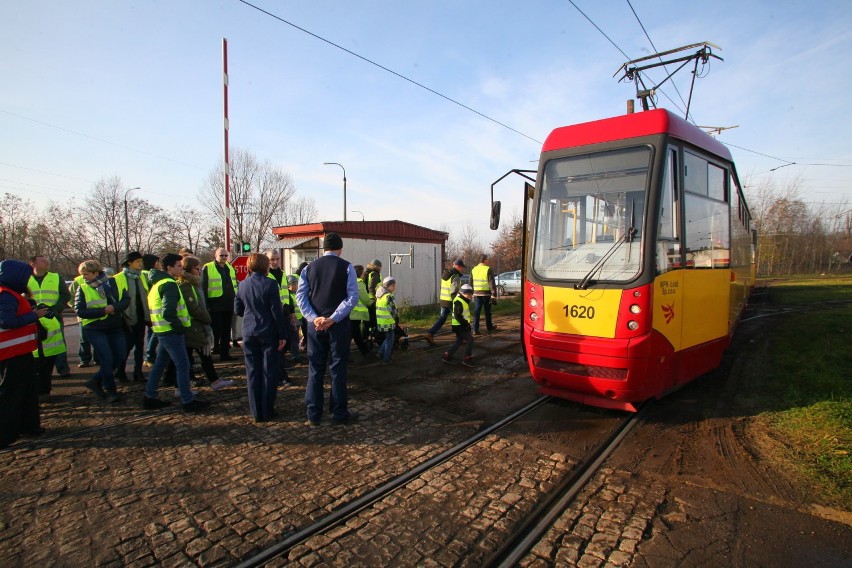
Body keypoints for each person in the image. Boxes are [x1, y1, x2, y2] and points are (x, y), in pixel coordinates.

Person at [296, 232, 359, 427]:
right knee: (338, 369)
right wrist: (333, 318)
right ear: (340, 248)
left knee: (315, 369)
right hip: (338, 327)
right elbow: (352, 297)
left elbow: (301, 297)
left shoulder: (308, 268)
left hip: (315, 327)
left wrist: (315, 318)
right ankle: (339, 413)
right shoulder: (347, 267)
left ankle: (313, 414)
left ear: (324, 249)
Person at [143, 253, 210, 412]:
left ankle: (149, 396)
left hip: (161, 330)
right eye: (179, 266)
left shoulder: (157, 284)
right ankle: (187, 400)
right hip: (171, 332)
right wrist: (179, 327)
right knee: (183, 365)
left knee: (160, 365)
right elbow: (168, 312)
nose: (181, 269)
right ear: (169, 268)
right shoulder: (169, 284)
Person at [0, 259, 48, 448]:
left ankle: (29, 426)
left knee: (28, 391)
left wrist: (33, 311)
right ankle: (5, 435)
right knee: (11, 395)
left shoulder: (10, 294)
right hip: (11, 354)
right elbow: (6, 321)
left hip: (21, 351)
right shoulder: (5, 295)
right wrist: (35, 316)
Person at [235, 253, 288, 422]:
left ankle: (256, 412)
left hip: (249, 332)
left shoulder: (242, 285)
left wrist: (251, 314)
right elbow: (276, 312)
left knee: (252, 372)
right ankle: (267, 410)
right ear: (266, 266)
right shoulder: (271, 284)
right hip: (267, 332)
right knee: (268, 372)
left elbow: (238, 309)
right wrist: (282, 334)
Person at [74, 259, 129, 403]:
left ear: (96, 272)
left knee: (121, 356)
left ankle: (95, 381)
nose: (83, 277)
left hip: (114, 325)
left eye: (86, 274)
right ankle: (111, 391)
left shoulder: (113, 283)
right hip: (95, 328)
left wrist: (115, 308)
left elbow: (125, 299)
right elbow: (80, 311)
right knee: (106, 359)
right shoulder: (83, 288)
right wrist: (103, 311)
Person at [176, 256, 232, 391]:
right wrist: (207, 318)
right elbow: (194, 307)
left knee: (200, 355)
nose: (199, 271)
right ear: (190, 269)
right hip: (193, 326)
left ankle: (212, 380)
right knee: (194, 356)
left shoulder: (194, 283)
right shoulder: (186, 285)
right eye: (196, 268)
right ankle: (187, 385)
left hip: (196, 326)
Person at [28, 254, 72, 377]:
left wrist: (55, 309)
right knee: (35, 346)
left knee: (58, 343)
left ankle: (63, 369)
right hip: (33, 317)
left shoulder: (56, 277)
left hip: (53, 316)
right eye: (42, 261)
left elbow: (65, 296)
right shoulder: (26, 279)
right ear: (33, 264)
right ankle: (38, 370)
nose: (46, 262)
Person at [112, 251, 149, 383]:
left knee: (140, 345)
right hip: (125, 318)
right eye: (138, 261)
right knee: (126, 346)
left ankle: (137, 372)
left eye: (141, 261)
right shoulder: (118, 278)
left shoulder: (142, 276)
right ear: (129, 263)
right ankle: (120, 371)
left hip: (141, 315)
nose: (140, 264)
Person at [202, 247, 238, 361]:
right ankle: (213, 349)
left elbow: (235, 285)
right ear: (215, 255)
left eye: (225, 256)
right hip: (215, 304)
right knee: (216, 329)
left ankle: (224, 353)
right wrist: (206, 305)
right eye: (221, 255)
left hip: (228, 303)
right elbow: (203, 287)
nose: (223, 258)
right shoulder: (208, 267)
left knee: (226, 330)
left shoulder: (230, 268)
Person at [424, 259, 466, 344]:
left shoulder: (445, 274)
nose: (462, 269)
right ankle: (461, 338)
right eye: (462, 267)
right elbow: (454, 291)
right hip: (451, 301)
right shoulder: (455, 276)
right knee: (458, 318)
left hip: (443, 300)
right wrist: (457, 303)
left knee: (442, 319)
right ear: (458, 266)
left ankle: (430, 334)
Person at [442, 283, 475, 367]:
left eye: (471, 294)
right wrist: (466, 324)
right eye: (469, 294)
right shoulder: (459, 301)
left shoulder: (462, 300)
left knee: (459, 340)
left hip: (459, 325)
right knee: (470, 339)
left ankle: (448, 356)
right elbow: (457, 316)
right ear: (463, 293)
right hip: (460, 326)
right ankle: (467, 359)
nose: (470, 296)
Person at [69, 275, 96, 368]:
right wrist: (77, 309)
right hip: (84, 316)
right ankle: (85, 359)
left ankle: (98, 359)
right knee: (84, 340)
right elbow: (70, 296)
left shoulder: (101, 279)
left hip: (99, 315)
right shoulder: (78, 281)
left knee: (98, 339)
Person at [471, 254, 498, 335]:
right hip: (486, 294)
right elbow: (491, 283)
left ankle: (475, 329)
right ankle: (489, 327)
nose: (488, 260)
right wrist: (494, 294)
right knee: (488, 312)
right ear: (484, 260)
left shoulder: (474, 269)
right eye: (487, 259)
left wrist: (470, 293)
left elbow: (470, 282)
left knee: (477, 312)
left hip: (476, 294)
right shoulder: (488, 269)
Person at [141, 254, 161, 367]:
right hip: (152, 307)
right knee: (155, 332)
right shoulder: (150, 275)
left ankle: (149, 356)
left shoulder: (142, 274)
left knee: (151, 333)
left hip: (148, 307)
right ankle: (149, 356)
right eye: (158, 262)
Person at [350, 265, 372, 359]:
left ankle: (365, 351)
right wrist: (370, 303)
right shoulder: (359, 283)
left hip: (349, 312)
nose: (364, 274)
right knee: (353, 333)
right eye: (363, 272)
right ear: (360, 273)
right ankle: (342, 355)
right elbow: (364, 297)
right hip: (356, 313)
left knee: (356, 334)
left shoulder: (349, 281)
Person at [375, 276, 398, 364]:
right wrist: (396, 316)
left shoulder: (379, 296)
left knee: (388, 338)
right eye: (393, 286)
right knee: (390, 340)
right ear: (388, 286)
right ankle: (386, 359)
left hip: (381, 322)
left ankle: (380, 353)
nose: (394, 288)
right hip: (388, 321)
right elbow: (393, 310)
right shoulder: (389, 296)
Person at [362, 259, 382, 341]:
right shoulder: (374, 273)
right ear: (378, 267)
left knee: (367, 320)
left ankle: (365, 337)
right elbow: (372, 287)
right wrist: (375, 297)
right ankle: (377, 336)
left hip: (366, 299)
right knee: (375, 319)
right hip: (373, 300)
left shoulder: (367, 272)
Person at [285, 275, 302, 364]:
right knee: (294, 339)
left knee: (296, 339)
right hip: (293, 320)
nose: (296, 286)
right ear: (288, 285)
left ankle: (294, 354)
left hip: (299, 319)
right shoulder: (288, 296)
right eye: (293, 284)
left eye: (296, 284)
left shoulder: (297, 294)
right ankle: (294, 356)